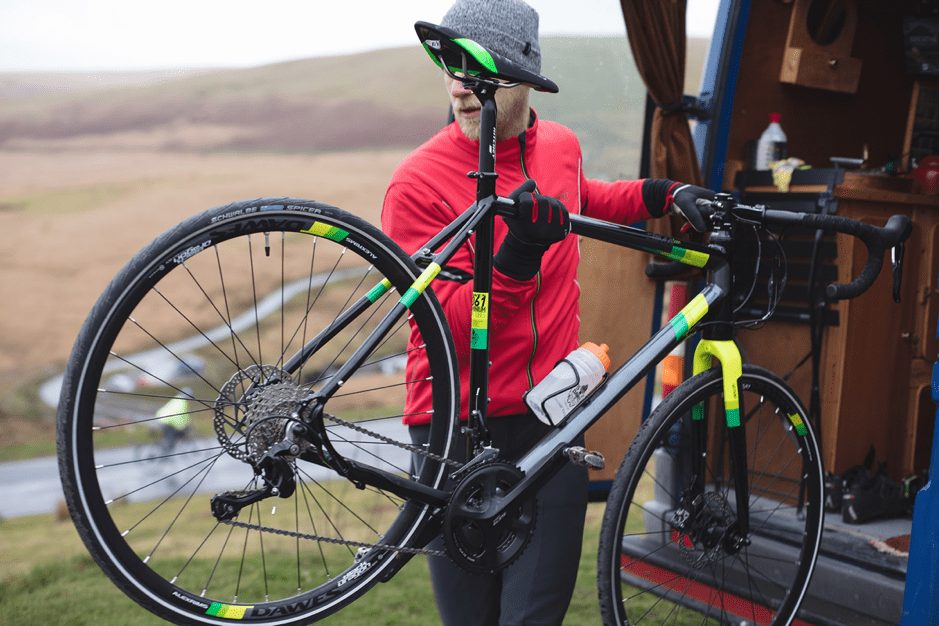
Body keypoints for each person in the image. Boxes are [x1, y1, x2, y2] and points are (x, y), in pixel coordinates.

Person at [381, 1, 713, 623]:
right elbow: (448, 323)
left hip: (551, 420)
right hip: (454, 427)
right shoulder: (419, 183)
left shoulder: (559, 145)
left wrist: (665, 193)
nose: (459, 86)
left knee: (535, 615)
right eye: (450, 66)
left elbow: (585, 199)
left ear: (525, 78)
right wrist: (515, 260)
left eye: (479, 69)